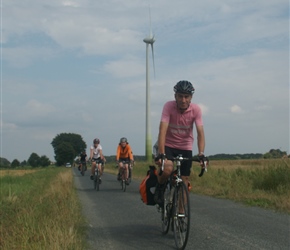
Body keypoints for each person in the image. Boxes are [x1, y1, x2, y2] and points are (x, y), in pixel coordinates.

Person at [154, 80, 206, 205]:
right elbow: (162, 130)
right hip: (168, 145)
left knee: (184, 179)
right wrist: (161, 153)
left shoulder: (196, 110)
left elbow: (200, 133)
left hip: (185, 146)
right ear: (175, 96)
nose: (183, 100)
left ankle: (181, 214)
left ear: (191, 97)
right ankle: (160, 188)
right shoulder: (168, 106)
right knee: (167, 169)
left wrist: (201, 154)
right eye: (180, 96)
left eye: (186, 96)